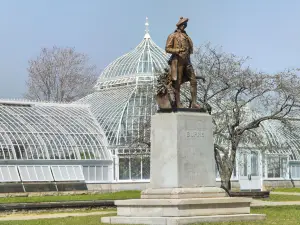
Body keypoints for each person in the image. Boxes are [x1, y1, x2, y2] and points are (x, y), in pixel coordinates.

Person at [165, 17, 202, 109]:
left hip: (187, 61)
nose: (184, 26)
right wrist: (178, 50)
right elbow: (167, 48)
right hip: (177, 61)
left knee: (193, 80)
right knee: (177, 83)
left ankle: (194, 102)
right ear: (179, 25)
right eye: (183, 25)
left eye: (185, 25)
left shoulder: (186, 36)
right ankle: (178, 103)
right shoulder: (172, 36)